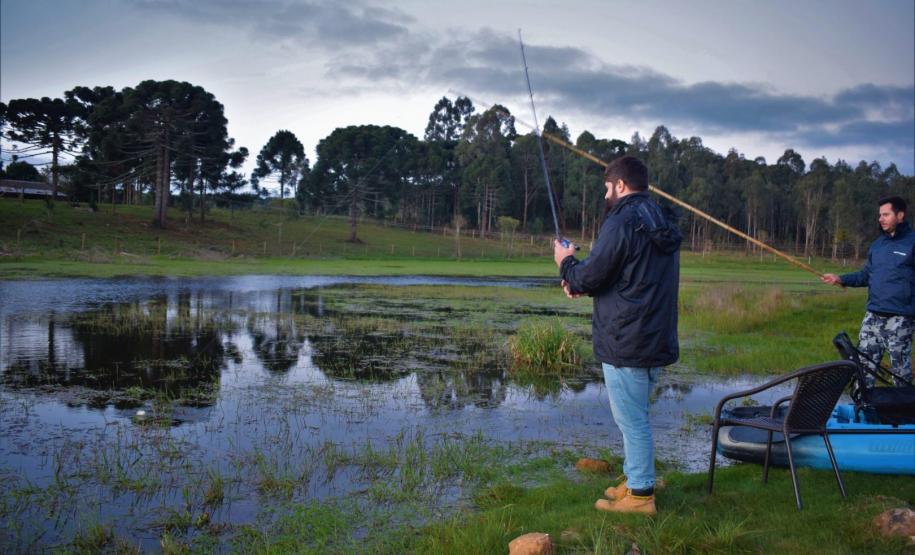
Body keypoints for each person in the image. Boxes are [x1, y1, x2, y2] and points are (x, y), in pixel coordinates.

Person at [553, 155, 681, 515]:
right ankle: (636, 477)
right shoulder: (659, 219)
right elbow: (625, 275)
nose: (605, 195)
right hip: (653, 336)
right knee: (635, 414)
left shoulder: (622, 220)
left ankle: (640, 496)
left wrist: (566, 262)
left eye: (607, 188)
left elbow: (592, 274)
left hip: (627, 338)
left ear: (620, 185)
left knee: (631, 420)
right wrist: (581, 283)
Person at [821, 196, 915, 384]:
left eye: (886, 215)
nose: (881, 219)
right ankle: (863, 403)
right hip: (873, 317)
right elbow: (865, 276)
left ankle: (906, 404)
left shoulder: (912, 243)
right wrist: (840, 279)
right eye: (880, 215)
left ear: (900, 215)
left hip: (901, 319)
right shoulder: (877, 245)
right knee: (862, 370)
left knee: (900, 373)